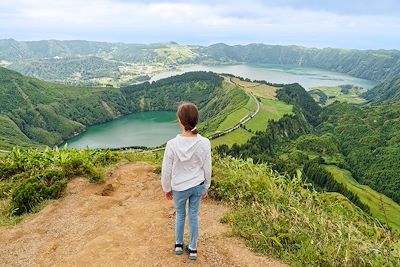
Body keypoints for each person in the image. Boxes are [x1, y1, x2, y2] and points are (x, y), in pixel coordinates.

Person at [161, 102, 212, 261]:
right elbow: (207, 168)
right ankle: (193, 248)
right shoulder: (204, 142)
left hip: (179, 188)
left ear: (180, 120)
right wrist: (207, 186)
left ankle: (178, 244)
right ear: (196, 120)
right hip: (197, 186)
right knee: (194, 215)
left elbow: (167, 171)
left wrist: (166, 188)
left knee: (181, 214)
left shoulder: (172, 144)